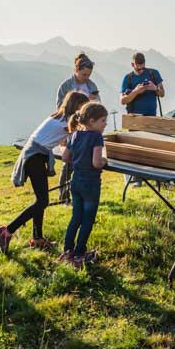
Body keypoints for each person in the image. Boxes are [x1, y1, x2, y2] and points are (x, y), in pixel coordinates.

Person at [0, 92, 90, 254]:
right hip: (35, 157)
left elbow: (63, 141)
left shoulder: (58, 117)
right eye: (84, 107)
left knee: (41, 199)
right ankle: (6, 231)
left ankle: (37, 238)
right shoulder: (68, 122)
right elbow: (75, 138)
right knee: (42, 201)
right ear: (77, 106)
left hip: (34, 154)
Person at [60, 102, 110, 269]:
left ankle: (68, 252)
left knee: (76, 217)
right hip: (91, 184)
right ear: (91, 121)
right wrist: (104, 160)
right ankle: (80, 254)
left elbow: (66, 157)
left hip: (76, 182)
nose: (105, 124)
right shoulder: (96, 137)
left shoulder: (74, 135)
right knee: (87, 220)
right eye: (103, 120)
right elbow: (96, 163)